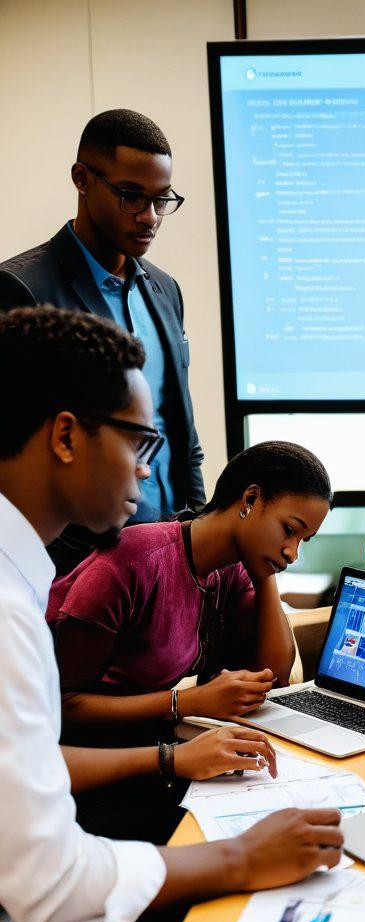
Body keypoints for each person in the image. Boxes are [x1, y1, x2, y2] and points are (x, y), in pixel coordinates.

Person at [0, 307, 343, 922]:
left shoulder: (21, 580)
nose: (150, 466)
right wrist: (242, 858)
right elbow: (52, 886)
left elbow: (28, 760)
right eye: (138, 440)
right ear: (66, 435)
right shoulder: (24, 604)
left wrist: (170, 759)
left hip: (40, 903)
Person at [46, 440, 331, 843]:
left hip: (150, 751)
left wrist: (266, 574)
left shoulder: (231, 570)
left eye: (304, 541)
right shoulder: (131, 563)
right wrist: (187, 703)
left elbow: (274, 675)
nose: (292, 553)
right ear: (250, 498)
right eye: (289, 530)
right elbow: (61, 707)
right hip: (80, 774)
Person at [0, 109, 204, 576]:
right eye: (131, 196)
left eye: (161, 200)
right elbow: (15, 446)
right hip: (73, 568)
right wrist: (79, 564)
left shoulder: (165, 289)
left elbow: (180, 429)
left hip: (169, 557)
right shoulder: (21, 290)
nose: (148, 216)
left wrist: (195, 537)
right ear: (82, 179)